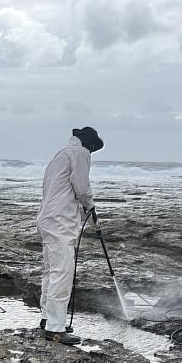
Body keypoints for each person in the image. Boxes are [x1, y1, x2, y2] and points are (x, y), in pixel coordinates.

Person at [37, 126, 104, 345]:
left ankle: (47, 318)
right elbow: (82, 188)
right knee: (62, 272)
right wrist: (91, 207)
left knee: (51, 270)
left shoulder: (62, 154)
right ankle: (56, 329)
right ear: (90, 145)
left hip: (48, 218)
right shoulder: (80, 153)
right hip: (60, 221)